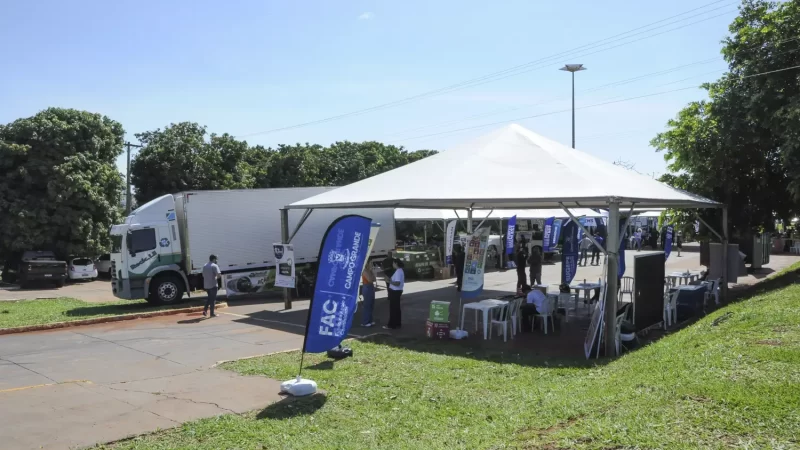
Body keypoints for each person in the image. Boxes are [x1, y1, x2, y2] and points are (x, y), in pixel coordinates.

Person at [383, 259, 405, 329]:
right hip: (397, 291)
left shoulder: (398, 271)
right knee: (397, 308)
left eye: (393, 263)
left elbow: (397, 283)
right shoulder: (400, 270)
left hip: (395, 291)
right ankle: (398, 323)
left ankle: (392, 325)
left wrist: (389, 281)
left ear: (396, 263)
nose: (392, 265)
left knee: (393, 308)